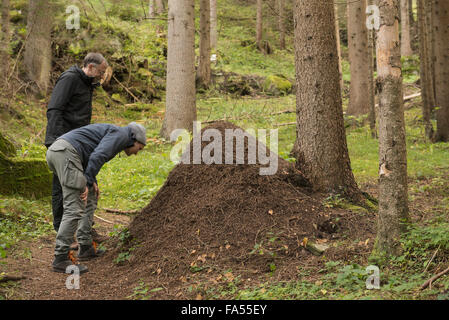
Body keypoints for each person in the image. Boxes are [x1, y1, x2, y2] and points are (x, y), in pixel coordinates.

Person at [46, 122, 146, 273]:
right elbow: (99, 155)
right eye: (139, 148)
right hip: (66, 153)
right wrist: (87, 180)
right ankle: (61, 258)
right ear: (135, 139)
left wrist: (91, 181)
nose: (137, 153)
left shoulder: (117, 133)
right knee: (74, 207)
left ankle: (85, 246)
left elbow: (88, 152)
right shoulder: (121, 135)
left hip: (62, 152)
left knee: (91, 194)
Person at [44, 53, 108, 241]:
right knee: (62, 185)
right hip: (62, 142)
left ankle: (85, 229)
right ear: (90, 67)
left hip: (80, 142)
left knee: (86, 182)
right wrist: (55, 141)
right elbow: (55, 109)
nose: (102, 76)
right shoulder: (69, 79)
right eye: (101, 72)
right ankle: (61, 230)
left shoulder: (87, 84)